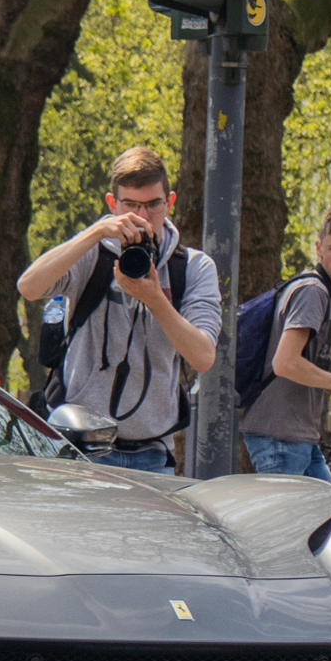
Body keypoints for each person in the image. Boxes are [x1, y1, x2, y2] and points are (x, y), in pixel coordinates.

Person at [16, 146, 220, 474]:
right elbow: (29, 287)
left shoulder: (193, 267)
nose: (142, 216)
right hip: (78, 444)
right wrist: (96, 232)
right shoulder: (93, 253)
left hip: (152, 455)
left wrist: (156, 300)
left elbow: (203, 357)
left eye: (154, 204)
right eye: (130, 205)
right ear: (112, 204)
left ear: (170, 201)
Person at [240, 207, 331, 482]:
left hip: (297, 437)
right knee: (290, 525)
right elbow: (285, 363)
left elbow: (297, 368)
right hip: (280, 439)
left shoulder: (321, 293)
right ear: (319, 248)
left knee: (328, 519)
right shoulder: (313, 292)